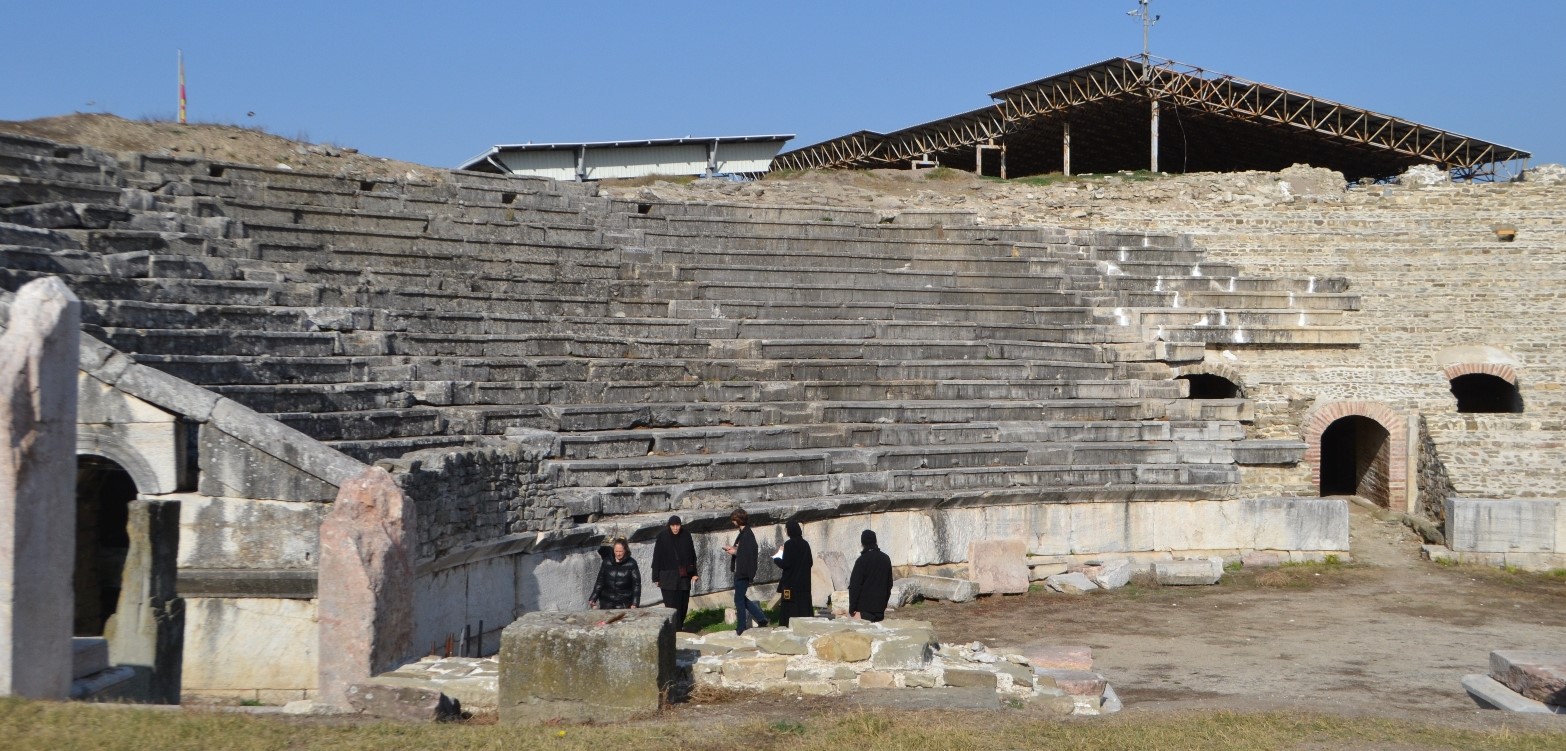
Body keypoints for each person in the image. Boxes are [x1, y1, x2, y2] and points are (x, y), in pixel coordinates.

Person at [722, 508, 769, 634]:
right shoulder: (743, 533)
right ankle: (761, 618)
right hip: (741, 570)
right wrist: (733, 549)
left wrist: (735, 551)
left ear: (738, 520)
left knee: (738, 600)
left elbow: (748, 554)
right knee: (742, 598)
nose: (733, 522)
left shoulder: (747, 534)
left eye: (734, 519)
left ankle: (741, 626)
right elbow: (742, 550)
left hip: (744, 572)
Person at [650, 515, 698, 630]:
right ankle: (673, 629)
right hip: (667, 576)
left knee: (683, 604)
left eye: (677, 525)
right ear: (669, 526)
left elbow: (692, 555)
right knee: (671, 604)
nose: (676, 528)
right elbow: (657, 557)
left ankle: (679, 627)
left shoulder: (686, 535)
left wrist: (694, 573)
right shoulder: (662, 537)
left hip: (684, 575)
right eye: (673, 525)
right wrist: (655, 577)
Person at [772, 519, 814, 627]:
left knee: (790, 610)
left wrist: (777, 556)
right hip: (804, 584)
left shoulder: (789, 544)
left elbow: (785, 564)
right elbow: (810, 562)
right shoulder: (805, 544)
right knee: (803, 609)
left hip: (790, 585)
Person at [847, 529, 893, 622]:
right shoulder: (885, 558)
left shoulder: (862, 560)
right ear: (875, 541)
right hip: (880, 608)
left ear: (862, 543)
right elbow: (889, 584)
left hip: (864, 609)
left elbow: (855, 586)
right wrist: (884, 603)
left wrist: (852, 608)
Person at [588, 538, 641, 610]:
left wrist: (635, 603)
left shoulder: (632, 563)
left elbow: (636, 585)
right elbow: (600, 582)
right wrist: (593, 598)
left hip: (624, 603)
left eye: (620, 551)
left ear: (625, 550)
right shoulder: (606, 562)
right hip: (606, 602)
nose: (618, 554)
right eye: (616, 551)